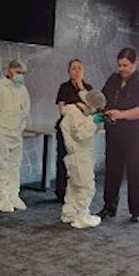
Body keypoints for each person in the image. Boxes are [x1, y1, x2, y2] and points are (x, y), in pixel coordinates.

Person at [98, 48, 139, 223]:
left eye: (126, 65)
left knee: (137, 172)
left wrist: (121, 114)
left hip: (136, 136)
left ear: (135, 63)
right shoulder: (113, 80)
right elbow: (103, 100)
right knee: (112, 171)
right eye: (120, 65)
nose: (122, 69)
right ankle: (109, 207)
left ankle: (137, 210)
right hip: (114, 133)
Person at [0, 60, 31, 213]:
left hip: (16, 132)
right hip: (1, 130)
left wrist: (20, 128)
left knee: (15, 165)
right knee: (1, 164)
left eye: (22, 73)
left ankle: (13, 194)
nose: (20, 76)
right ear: (9, 72)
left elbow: (25, 111)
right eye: (18, 72)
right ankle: (1, 196)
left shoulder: (23, 90)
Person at [60, 89, 106, 229]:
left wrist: (92, 120)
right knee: (86, 187)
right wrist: (92, 121)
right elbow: (79, 134)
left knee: (74, 187)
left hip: (80, 155)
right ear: (89, 104)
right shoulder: (74, 113)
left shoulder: (79, 113)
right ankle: (82, 217)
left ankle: (69, 214)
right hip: (79, 156)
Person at [55, 59, 93, 203]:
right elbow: (62, 109)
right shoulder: (64, 87)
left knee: (79, 161)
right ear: (69, 71)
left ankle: (77, 190)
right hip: (66, 129)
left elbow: (91, 108)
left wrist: (81, 88)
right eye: (74, 68)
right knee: (63, 159)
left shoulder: (88, 88)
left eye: (79, 68)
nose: (77, 71)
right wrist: (77, 108)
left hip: (82, 130)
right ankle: (60, 191)